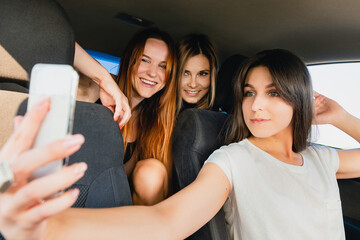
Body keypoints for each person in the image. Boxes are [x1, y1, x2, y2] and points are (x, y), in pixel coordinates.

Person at [2, 49, 360, 239]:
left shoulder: (321, 158)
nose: (256, 105)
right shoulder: (233, 159)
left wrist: (341, 117)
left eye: (274, 93)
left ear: (299, 99)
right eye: (249, 93)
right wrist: (50, 228)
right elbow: (164, 222)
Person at [111, 28, 177, 205]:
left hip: (117, 215)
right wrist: (103, 79)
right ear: (129, 61)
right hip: (73, 203)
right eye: (145, 60)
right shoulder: (97, 91)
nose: (153, 73)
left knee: (152, 171)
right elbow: (68, 49)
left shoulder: (150, 122)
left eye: (163, 66)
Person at [175, 34, 218, 113]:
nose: (193, 84)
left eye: (202, 74)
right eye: (185, 73)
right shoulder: (152, 110)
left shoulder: (217, 121)